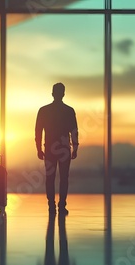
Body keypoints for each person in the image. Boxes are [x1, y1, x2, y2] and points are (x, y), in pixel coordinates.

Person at [35, 82, 78, 215]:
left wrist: (38, 148)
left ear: (53, 93)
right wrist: (75, 147)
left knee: (50, 177)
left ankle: (51, 205)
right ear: (63, 94)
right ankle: (61, 205)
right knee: (64, 177)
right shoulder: (69, 111)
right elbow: (74, 131)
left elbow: (38, 131)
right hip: (64, 148)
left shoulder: (44, 110)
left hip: (49, 149)